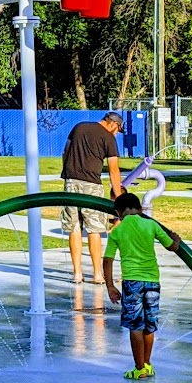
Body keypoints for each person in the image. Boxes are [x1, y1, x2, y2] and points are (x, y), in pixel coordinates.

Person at [102, 191, 177, 379]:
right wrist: (176, 239)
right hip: (152, 281)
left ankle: (139, 368)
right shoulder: (150, 225)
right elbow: (171, 246)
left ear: (118, 213)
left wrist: (110, 286)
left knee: (135, 325)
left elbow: (108, 260)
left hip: (132, 283)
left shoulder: (117, 231)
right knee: (149, 325)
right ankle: (147, 364)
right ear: (141, 209)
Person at [59, 111, 124, 285]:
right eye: (117, 129)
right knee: (94, 229)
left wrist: (68, 173)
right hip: (92, 185)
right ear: (112, 123)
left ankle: (77, 273)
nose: (117, 133)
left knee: (74, 227)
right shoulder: (109, 138)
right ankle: (97, 274)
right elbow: (114, 170)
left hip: (71, 182)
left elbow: (65, 152)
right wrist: (118, 197)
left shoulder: (78, 128)